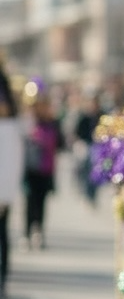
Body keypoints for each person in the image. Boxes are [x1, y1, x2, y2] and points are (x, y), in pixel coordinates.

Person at [22, 92, 62, 248]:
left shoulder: (52, 123)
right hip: (30, 170)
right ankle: (27, 233)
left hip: (46, 169)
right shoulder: (29, 123)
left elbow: (60, 143)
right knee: (30, 202)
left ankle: (39, 233)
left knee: (41, 203)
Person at [0, 62, 24, 299]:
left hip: (2, 195)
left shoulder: (9, 128)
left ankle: (2, 281)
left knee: (2, 235)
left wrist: (4, 196)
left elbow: (12, 164)